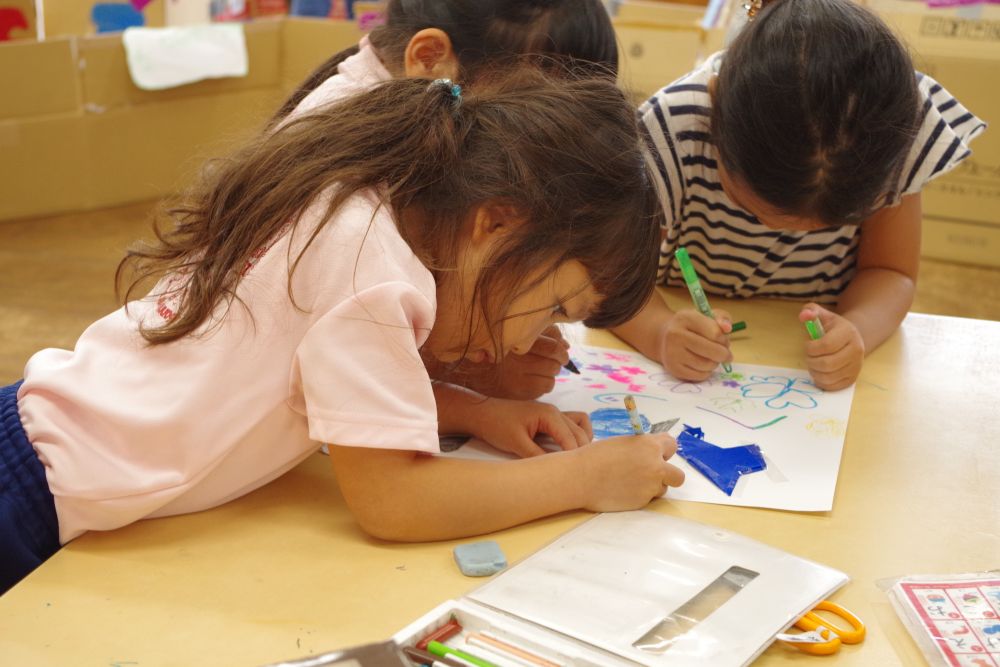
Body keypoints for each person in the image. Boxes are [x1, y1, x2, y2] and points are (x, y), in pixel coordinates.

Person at [2, 68, 685, 594]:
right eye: (557, 305)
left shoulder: (359, 204)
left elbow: (319, 386)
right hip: (33, 497)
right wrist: (584, 477)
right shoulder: (373, 273)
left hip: (33, 430)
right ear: (498, 221)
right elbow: (392, 499)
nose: (524, 340)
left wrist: (475, 409)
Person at [613, 0, 985, 390]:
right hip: (685, 321)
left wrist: (857, 330)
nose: (792, 234)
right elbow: (613, 277)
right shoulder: (674, 130)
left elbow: (891, 272)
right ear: (715, 111)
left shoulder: (896, 129)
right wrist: (659, 329)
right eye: (751, 210)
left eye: (839, 221)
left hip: (804, 350)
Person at [271, 0, 622, 400]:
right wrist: (469, 371)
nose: (541, 161)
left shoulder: (402, 125)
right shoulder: (356, 177)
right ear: (430, 59)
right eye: (523, 109)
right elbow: (327, 367)